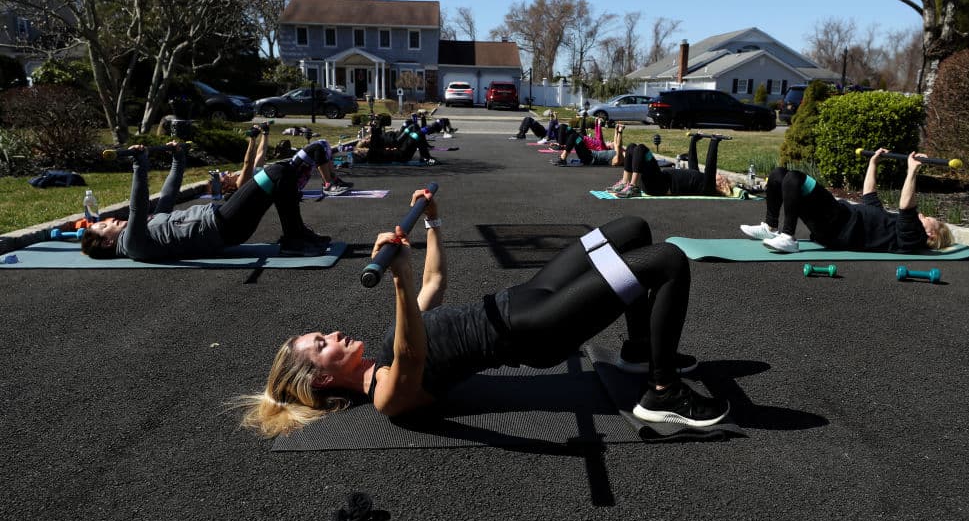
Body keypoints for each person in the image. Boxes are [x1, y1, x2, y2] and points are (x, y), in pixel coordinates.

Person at [236, 197, 730, 437]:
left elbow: (433, 285)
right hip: (537, 329)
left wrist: (432, 222)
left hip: (528, 295)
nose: (334, 333)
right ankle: (661, 392)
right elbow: (413, 351)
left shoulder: (386, 345)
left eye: (321, 334)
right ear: (322, 380)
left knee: (631, 228)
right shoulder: (387, 393)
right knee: (666, 261)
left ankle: (641, 349)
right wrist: (399, 279)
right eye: (323, 344)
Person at [80, 142, 328, 261]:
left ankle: (296, 235)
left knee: (280, 175)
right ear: (106, 243)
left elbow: (167, 196)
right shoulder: (132, 244)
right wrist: (139, 164)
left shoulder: (145, 228)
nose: (107, 220)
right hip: (223, 227)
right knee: (275, 174)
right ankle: (294, 238)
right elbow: (138, 205)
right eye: (102, 227)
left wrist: (178, 158)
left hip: (223, 219)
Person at [739, 148, 953, 253]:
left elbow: (907, 206)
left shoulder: (912, 237)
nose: (922, 215)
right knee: (779, 175)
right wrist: (873, 162)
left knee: (795, 179)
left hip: (840, 224)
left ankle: (788, 237)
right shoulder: (893, 227)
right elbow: (870, 197)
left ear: (930, 233)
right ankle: (771, 226)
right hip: (834, 222)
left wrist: (912, 170)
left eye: (927, 218)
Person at [608, 133, 734, 198]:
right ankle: (625, 183)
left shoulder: (709, 186)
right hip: (656, 178)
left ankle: (633, 187)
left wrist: (714, 142)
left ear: (721, 183)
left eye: (721, 177)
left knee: (641, 149)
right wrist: (694, 140)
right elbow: (692, 162)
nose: (719, 174)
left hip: (659, 185)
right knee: (632, 148)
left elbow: (710, 166)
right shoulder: (699, 178)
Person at [551, 123, 626, 167]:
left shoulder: (619, 159)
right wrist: (616, 130)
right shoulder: (618, 152)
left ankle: (563, 158)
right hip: (587, 152)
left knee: (574, 136)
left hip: (589, 158)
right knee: (568, 130)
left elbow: (619, 145)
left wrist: (620, 132)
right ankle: (561, 146)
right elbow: (617, 143)